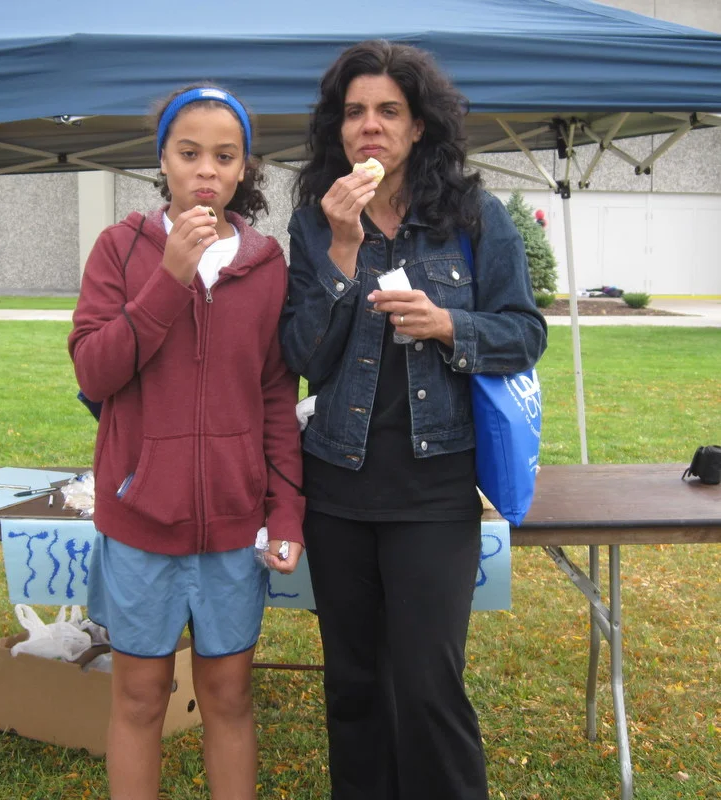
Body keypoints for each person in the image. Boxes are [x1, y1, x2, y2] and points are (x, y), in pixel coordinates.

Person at [280, 41, 547, 800]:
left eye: (388, 111)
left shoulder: (473, 217)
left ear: (419, 125)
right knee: (354, 687)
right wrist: (342, 248)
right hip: (338, 488)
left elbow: (525, 333)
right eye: (354, 112)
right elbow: (302, 354)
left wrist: (450, 325)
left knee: (429, 688)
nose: (370, 126)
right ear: (338, 128)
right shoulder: (314, 223)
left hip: (434, 489)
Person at [69, 84, 304, 800]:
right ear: (163, 161)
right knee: (140, 698)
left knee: (229, 697)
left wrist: (286, 511)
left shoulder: (266, 265)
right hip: (141, 524)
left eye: (224, 156)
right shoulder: (120, 250)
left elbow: (276, 399)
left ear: (243, 169)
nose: (206, 169)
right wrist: (169, 278)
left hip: (234, 526)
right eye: (189, 152)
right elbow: (95, 371)